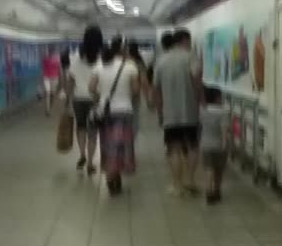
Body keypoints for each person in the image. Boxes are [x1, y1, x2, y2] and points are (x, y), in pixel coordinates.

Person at [152, 28, 201, 196]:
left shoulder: (161, 60)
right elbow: (196, 82)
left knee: (174, 149)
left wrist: (160, 112)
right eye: (189, 41)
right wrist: (200, 103)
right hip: (190, 112)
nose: (190, 44)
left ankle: (176, 185)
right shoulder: (191, 57)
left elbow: (156, 90)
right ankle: (191, 180)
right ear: (184, 41)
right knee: (193, 146)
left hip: (170, 114)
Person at [90, 38, 141, 196]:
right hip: (125, 111)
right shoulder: (130, 67)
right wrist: (125, 96)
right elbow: (136, 90)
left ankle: (110, 177)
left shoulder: (98, 67)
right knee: (121, 146)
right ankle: (116, 176)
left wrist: (102, 97)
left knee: (107, 145)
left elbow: (91, 87)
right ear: (122, 51)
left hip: (106, 112)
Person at [67, 27, 102, 174]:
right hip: (95, 98)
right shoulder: (102, 57)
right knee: (93, 131)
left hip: (78, 98)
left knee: (80, 127)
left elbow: (71, 79)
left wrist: (68, 100)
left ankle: (82, 154)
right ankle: (91, 163)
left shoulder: (75, 56)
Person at [200, 86, 230, 204]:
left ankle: (208, 191)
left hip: (205, 145)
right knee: (219, 170)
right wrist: (224, 144)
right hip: (219, 146)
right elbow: (224, 130)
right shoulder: (223, 112)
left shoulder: (203, 111)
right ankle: (217, 191)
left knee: (209, 169)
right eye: (220, 97)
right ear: (217, 98)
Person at [41, 49, 62, 115]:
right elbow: (43, 68)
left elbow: (60, 69)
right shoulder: (45, 58)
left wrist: (60, 78)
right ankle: (47, 109)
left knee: (52, 94)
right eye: (49, 51)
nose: (51, 52)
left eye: (52, 51)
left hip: (55, 78)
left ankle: (50, 106)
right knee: (48, 92)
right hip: (46, 77)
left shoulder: (58, 59)